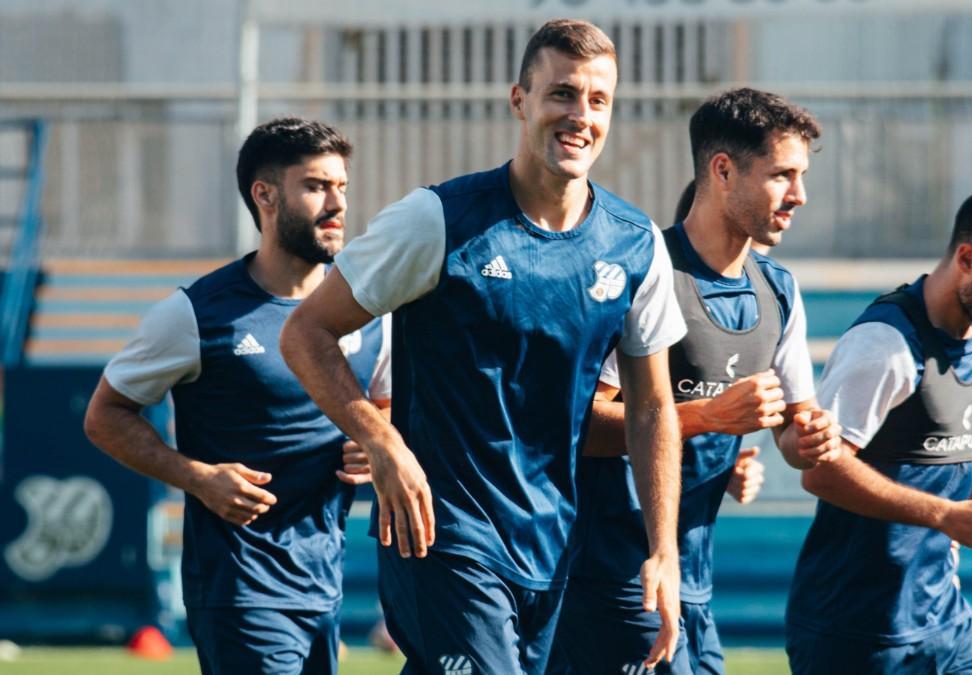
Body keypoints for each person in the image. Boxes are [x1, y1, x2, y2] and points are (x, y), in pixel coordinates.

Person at [279, 19, 689, 674]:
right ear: (519, 100)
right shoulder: (437, 220)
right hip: (443, 534)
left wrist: (663, 550)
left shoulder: (636, 244)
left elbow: (651, 408)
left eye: (598, 100)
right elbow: (305, 331)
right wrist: (384, 444)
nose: (579, 115)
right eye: (561, 94)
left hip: (552, 541)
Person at [83, 117, 389, 674]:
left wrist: (375, 447)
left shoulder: (366, 313)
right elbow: (105, 416)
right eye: (317, 186)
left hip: (324, 584)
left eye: (341, 186)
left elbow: (388, 411)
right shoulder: (196, 313)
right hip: (240, 587)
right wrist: (197, 477)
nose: (336, 203)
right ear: (265, 195)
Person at [553, 88, 839, 674]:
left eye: (801, 176)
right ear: (724, 170)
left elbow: (793, 431)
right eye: (782, 175)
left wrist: (809, 440)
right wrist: (710, 417)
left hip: (695, 582)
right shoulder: (641, 270)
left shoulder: (779, 290)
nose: (800, 195)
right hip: (617, 580)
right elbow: (578, 427)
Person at [784, 181, 972, 674]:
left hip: (945, 625)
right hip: (856, 633)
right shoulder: (884, 344)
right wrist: (944, 514)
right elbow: (821, 472)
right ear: (968, 259)